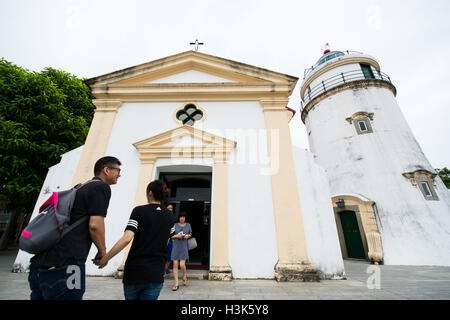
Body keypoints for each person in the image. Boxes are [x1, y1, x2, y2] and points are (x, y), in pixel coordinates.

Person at [28, 156, 121, 300]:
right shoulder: (101, 187)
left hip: (41, 263)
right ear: (106, 170)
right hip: (66, 264)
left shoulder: (81, 187)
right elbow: (95, 225)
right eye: (117, 170)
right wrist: (103, 252)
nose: (119, 174)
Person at [95, 180, 176, 300]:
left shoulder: (139, 211)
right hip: (156, 272)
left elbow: (127, 238)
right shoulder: (170, 217)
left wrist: (105, 258)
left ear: (149, 193)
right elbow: (166, 242)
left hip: (135, 270)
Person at [170, 212, 192, 291]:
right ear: (179, 218)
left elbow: (190, 233)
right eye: (180, 217)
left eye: (183, 217)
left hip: (183, 247)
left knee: (182, 265)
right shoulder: (175, 225)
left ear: (185, 218)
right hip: (176, 247)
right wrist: (176, 236)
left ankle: (184, 276)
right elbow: (171, 235)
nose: (182, 218)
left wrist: (187, 236)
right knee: (175, 265)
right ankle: (176, 283)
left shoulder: (188, 225)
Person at [165, 203, 175, 275]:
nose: (170, 210)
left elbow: (173, 230)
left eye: (171, 208)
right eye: (168, 208)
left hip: (171, 239)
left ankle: (166, 268)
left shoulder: (173, 218)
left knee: (170, 255)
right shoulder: (162, 217)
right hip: (162, 239)